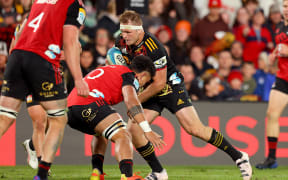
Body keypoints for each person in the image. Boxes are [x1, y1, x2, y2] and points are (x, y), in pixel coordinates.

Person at [92, 10, 252, 180]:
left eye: (128, 32)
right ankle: (159, 172)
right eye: (122, 31)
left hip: (170, 86)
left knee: (194, 129)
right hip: (148, 87)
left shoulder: (153, 47)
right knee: (134, 130)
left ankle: (239, 157)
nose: (124, 35)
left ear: (140, 30)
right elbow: (115, 61)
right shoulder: (122, 42)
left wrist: (135, 101)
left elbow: (160, 83)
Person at [0, 1, 90, 180]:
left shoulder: (39, 1)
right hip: (42, 62)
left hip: (17, 57)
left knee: (5, 117)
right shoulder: (75, 5)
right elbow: (71, 41)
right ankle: (42, 174)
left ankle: (34, 149)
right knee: (58, 119)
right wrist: (79, 79)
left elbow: (19, 36)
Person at [67, 55, 165, 180]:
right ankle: (127, 176)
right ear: (142, 75)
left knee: (101, 134)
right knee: (123, 135)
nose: (142, 85)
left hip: (71, 109)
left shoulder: (113, 69)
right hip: (89, 103)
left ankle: (97, 172)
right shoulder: (130, 76)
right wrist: (147, 130)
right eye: (146, 82)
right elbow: (131, 101)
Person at [255, 0, 288, 169]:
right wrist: (274, 54)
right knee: (272, 115)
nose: (286, 10)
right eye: (285, 6)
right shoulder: (280, 26)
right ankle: (272, 159)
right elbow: (280, 46)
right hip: (283, 78)